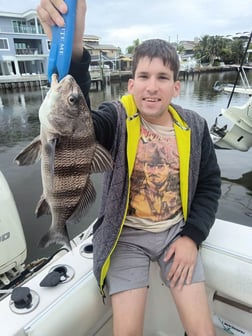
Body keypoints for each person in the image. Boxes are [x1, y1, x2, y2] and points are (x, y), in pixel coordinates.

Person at [37, 1, 221, 335]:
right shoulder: (116, 118)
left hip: (175, 233)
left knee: (202, 330)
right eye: (144, 77)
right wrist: (72, 45)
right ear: (130, 84)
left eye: (163, 78)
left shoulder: (194, 126)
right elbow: (81, 120)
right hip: (125, 239)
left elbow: (209, 185)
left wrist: (192, 237)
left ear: (176, 87)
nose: (153, 86)